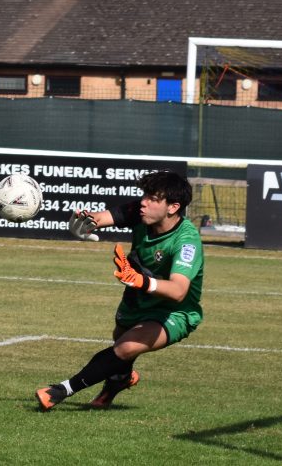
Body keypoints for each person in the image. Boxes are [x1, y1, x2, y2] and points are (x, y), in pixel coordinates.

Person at [35, 170, 203, 411]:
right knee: (121, 340)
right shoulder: (140, 212)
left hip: (175, 312)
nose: (144, 202)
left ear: (173, 207)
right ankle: (120, 380)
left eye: (154, 199)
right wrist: (84, 222)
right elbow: (100, 218)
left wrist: (140, 280)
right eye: (145, 195)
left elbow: (178, 290)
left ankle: (60, 390)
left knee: (126, 347)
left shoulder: (186, 242)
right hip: (137, 299)